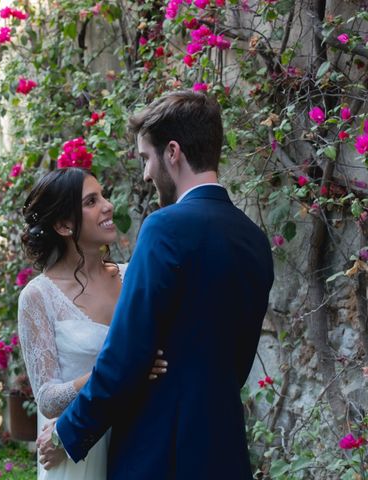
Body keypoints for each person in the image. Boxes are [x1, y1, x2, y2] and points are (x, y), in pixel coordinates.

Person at [37, 90, 275, 479]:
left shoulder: (165, 229)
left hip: (160, 453)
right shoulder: (253, 239)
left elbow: (126, 355)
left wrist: (66, 432)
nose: (146, 174)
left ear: (173, 152)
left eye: (147, 158)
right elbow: (237, 362)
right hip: (225, 449)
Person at [17, 167, 168, 479]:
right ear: (63, 224)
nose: (108, 205)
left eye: (103, 196)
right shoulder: (38, 297)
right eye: (91, 201)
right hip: (75, 454)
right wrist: (120, 368)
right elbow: (47, 399)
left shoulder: (133, 277)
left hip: (139, 439)